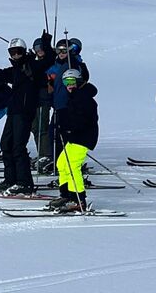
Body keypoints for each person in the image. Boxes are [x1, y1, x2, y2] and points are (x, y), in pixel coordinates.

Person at [0, 32, 54, 195]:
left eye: (18, 52)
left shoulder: (33, 66)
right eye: (12, 52)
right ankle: (11, 180)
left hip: (25, 112)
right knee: (6, 145)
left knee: (18, 147)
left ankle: (24, 183)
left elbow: (48, 60)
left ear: (24, 51)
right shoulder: (14, 70)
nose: (15, 55)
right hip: (13, 111)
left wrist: (46, 44)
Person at [48, 68, 99, 213]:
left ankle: (78, 200)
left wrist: (69, 127)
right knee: (61, 163)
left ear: (78, 80)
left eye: (71, 81)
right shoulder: (75, 96)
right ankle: (66, 195)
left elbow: (83, 119)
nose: (69, 85)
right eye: (66, 82)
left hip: (83, 137)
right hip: (74, 137)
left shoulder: (85, 98)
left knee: (72, 166)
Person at [47, 38, 90, 165]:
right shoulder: (57, 65)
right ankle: (58, 163)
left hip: (68, 106)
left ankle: (69, 165)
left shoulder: (73, 64)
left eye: (64, 50)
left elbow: (80, 80)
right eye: (58, 50)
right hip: (58, 105)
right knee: (53, 135)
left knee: (65, 137)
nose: (61, 53)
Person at [29, 37, 54, 173]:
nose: (38, 51)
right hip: (34, 100)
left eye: (40, 48)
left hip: (44, 99)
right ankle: (42, 153)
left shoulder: (49, 61)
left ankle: (47, 155)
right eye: (36, 49)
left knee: (42, 127)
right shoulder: (36, 62)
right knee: (34, 127)